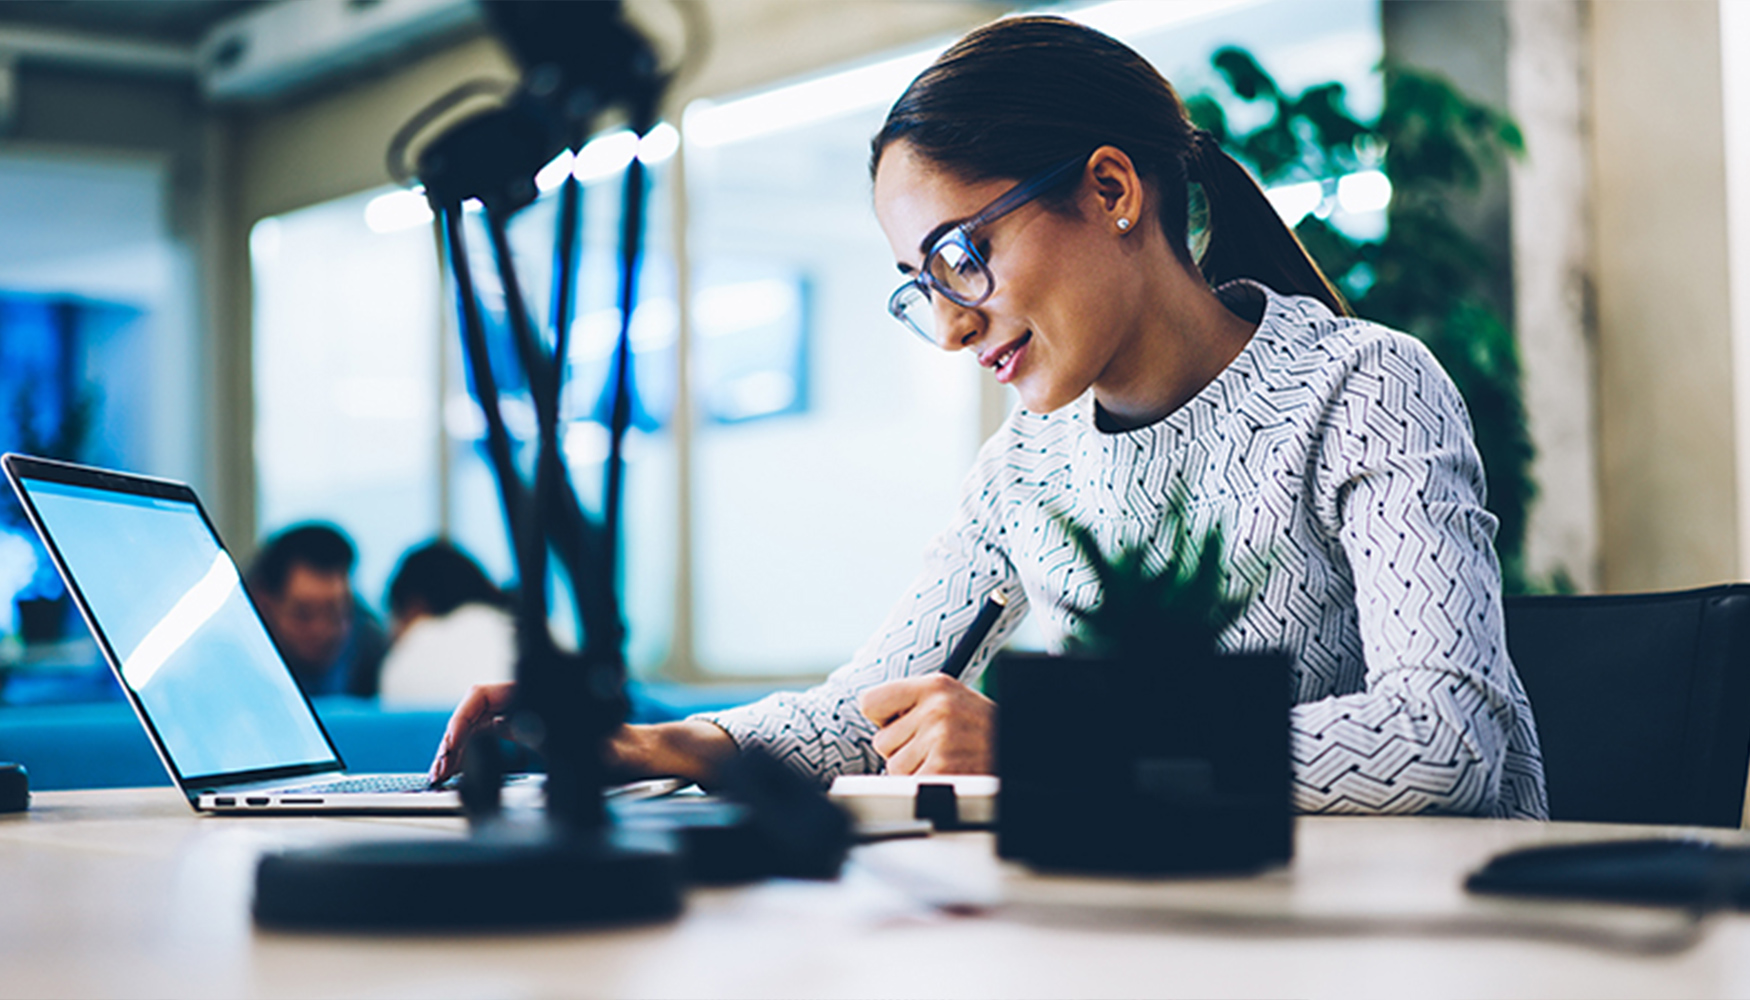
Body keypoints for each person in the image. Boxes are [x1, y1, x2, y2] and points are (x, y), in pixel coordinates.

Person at [431, 16, 1548, 818]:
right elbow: (868, 716)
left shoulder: (1362, 387)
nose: (956, 328)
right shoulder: (1026, 467)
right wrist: (668, 741)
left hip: (1412, 935)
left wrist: (1048, 746)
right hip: (1177, 927)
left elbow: (1439, 742)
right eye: (923, 287)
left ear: (1111, 190)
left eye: (963, 257)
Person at [248, 522, 387, 698]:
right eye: (303, 615)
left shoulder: (375, 656)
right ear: (263, 603)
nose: (322, 630)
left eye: (335, 614)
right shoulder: (237, 664)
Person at [377, 540, 516, 707]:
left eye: (394, 618)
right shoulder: (532, 633)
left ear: (415, 607)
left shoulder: (407, 659)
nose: (392, 634)